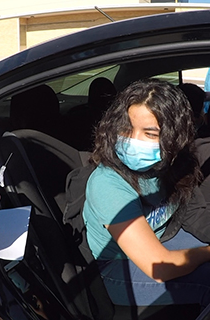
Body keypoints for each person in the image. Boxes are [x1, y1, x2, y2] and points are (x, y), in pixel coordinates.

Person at [82, 79, 210, 308]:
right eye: (127, 129)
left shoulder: (172, 165)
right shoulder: (108, 184)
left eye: (150, 134)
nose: (134, 141)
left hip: (163, 236)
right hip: (118, 267)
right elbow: (160, 266)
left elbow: (191, 211)